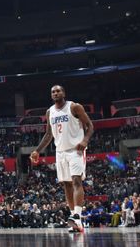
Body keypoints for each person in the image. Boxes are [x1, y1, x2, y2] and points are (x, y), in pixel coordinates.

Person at [30, 85, 95, 233]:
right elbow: (48, 135)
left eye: (58, 91)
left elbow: (90, 126)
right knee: (66, 185)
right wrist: (37, 151)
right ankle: (75, 220)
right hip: (60, 152)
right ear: (51, 95)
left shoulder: (74, 107)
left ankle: (78, 215)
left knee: (76, 181)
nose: (56, 93)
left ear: (64, 93)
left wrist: (85, 140)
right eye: (53, 92)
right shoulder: (49, 112)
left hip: (75, 150)